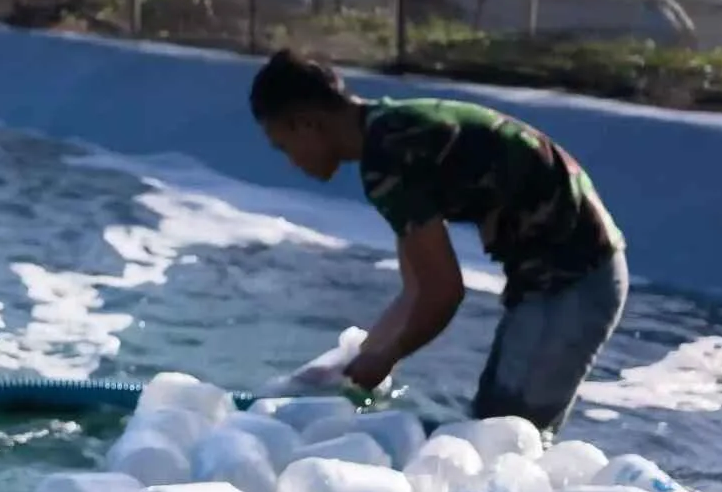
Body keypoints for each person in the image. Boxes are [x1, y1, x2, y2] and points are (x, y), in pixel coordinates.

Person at [249, 49, 627, 437]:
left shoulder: (389, 159)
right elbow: (415, 289)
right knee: (498, 428)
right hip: (564, 276)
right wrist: (357, 360)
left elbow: (443, 293)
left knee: (503, 436)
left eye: (283, 146)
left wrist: (385, 358)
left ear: (306, 124)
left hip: (573, 279)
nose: (290, 161)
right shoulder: (391, 128)